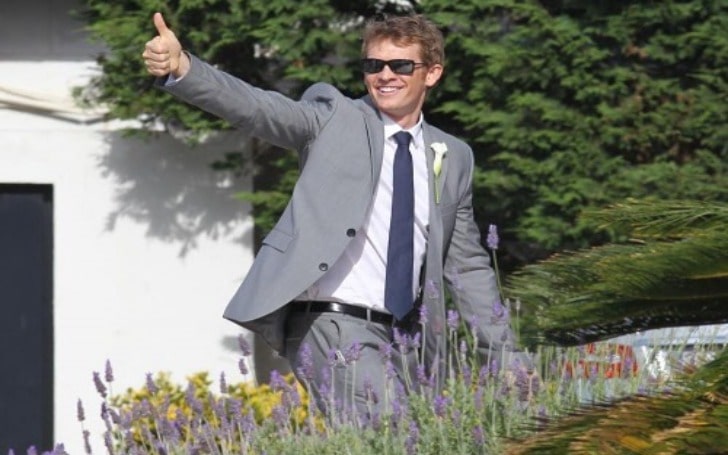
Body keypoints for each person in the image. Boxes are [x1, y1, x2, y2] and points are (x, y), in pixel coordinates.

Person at [143, 11, 529, 418]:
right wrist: (184, 68)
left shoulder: (452, 156)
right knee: (388, 427)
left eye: (400, 65)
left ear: (431, 73)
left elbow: (467, 267)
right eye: (373, 65)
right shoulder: (333, 118)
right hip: (333, 323)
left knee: (417, 437)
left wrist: (506, 358)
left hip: (409, 340)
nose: (385, 75)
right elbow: (258, 108)